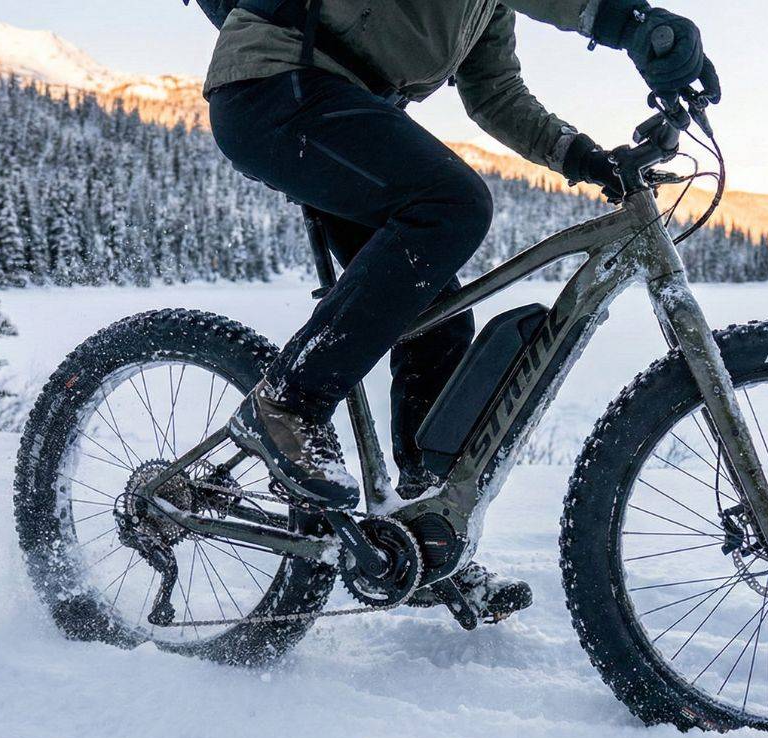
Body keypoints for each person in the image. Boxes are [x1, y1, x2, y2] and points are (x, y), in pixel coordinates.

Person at [205, 0, 716, 620]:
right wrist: (628, 25)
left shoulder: (485, 13)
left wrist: (584, 158)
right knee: (455, 203)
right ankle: (285, 403)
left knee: (439, 311)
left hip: (342, 106)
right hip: (275, 84)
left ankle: (422, 535)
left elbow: (496, 94)